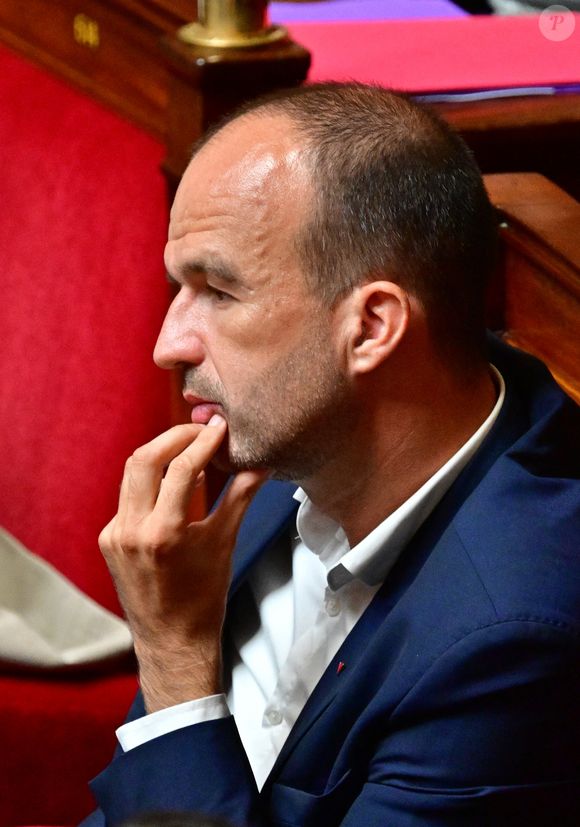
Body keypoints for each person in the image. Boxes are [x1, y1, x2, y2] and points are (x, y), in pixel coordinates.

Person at [83, 84, 580, 826]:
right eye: (178, 287)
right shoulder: (300, 441)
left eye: (218, 291)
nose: (168, 345)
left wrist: (174, 659)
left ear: (372, 327)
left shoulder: (513, 635)